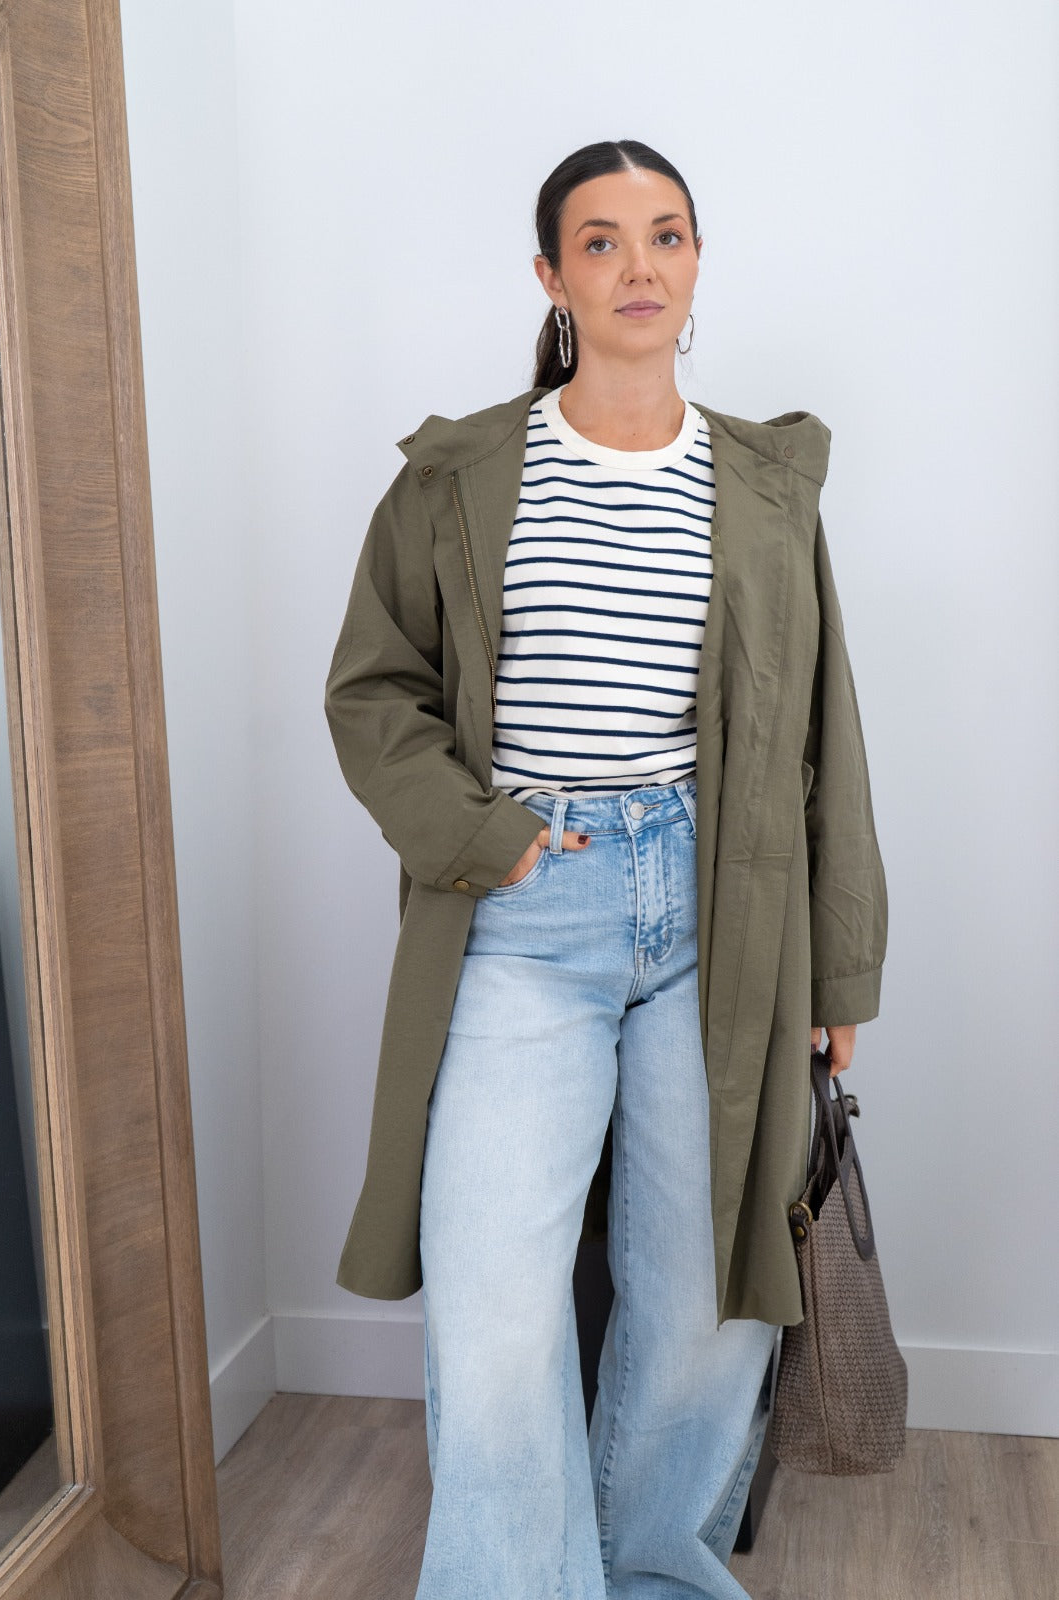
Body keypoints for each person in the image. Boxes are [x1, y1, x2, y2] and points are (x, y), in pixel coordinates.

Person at [324, 138, 888, 1600]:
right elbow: (374, 693)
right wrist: (489, 837)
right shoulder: (458, 476)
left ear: (696, 262)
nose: (640, 266)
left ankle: (654, 1577)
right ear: (552, 276)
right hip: (526, 908)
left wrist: (838, 969)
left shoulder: (765, 484)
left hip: (724, 911)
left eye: (666, 235)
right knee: (498, 1301)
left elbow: (821, 732)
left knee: (704, 1295)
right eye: (601, 241)